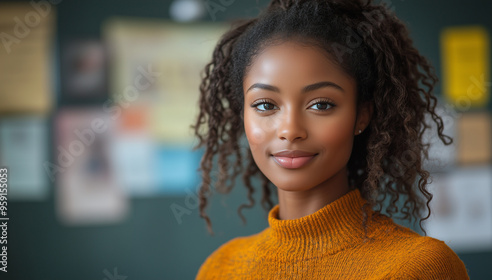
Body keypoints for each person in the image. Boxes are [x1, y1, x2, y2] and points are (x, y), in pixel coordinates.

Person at [191, 0, 470, 278]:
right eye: (265, 105)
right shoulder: (220, 269)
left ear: (361, 116)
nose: (290, 129)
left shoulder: (419, 268)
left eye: (321, 104)